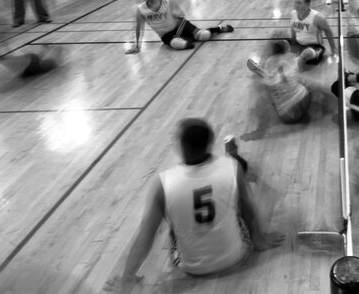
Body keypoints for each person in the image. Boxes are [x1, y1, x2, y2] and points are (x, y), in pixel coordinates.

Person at [116, 119, 284, 292]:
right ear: (209, 144)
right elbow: (247, 210)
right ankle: (233, 155)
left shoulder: (162, 183)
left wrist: (127, 279)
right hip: (235, 257)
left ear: (183, 147)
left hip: (190, 267)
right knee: (234, 199)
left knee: (171, 223)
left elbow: (145, 235)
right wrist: (260, 240)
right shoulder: (232, 169)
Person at [126, 0, 234, 52]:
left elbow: (182, 18)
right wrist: (136, 46)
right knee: (184, 46)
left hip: (181, 27)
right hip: (166, 35)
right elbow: (139, 28)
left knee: (205, 35)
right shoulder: (141, 9)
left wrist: (178, 33)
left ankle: (219, 28)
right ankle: (191, 38)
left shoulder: (168, 4)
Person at [245, 34, 313, 124]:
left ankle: (260, 72)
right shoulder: (292, 60)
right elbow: (309, 51)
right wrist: (308, 55)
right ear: (286, 50)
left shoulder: (268, 66)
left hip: (287, 116)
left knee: (268, 86)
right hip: (305, 101)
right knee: (302, 79)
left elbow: (265, 98)